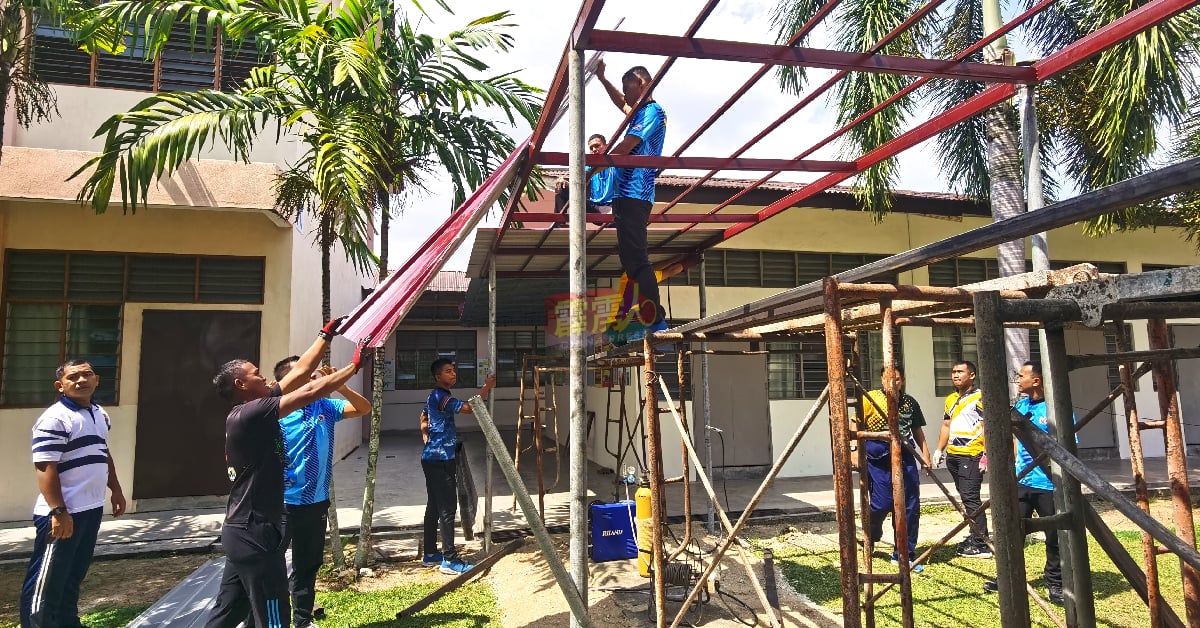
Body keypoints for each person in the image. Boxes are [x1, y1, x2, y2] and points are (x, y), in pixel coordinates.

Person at [206, 318, 365, 628]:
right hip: (256, 534)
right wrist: (354, 366)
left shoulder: (255, 408)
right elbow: (308, 391)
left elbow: (303, 372)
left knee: (229, 612)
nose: (264, 377)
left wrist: (325, 334)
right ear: (241, 385)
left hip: (242, 530)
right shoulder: (251, 413)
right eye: (256, 374)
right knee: (275, 618)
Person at [20, 360, 127, 628]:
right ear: (61, 385)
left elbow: (103, 453)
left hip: (90, 509)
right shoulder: (55, 418)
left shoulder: (100, 414)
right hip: (61, 513)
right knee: (47, 582)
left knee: (72, 575)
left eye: (87, 375)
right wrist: (58, 511)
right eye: (74, 377)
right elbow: (45, 467)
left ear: (97, 379)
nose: (81, 381)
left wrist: (116, 489)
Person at [272, 357, 372, 627]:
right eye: (304, 375)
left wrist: (340, 386)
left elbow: (363, 408)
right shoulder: (275, 412)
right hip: (280, 504)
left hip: (315, 502)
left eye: (312, 375)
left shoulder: (324, 406)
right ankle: (264, 619)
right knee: (270, 565)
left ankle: (302, 620)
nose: (311, 379)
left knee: (308, 564)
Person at [595, 60, 668, 336]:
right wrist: (603, 79)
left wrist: (595, 167)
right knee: (630, 259)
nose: (625, 96)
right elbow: (622, 105)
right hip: (624, 195)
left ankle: (655, 318)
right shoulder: (639, 112)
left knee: (637, 257)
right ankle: (648, 314)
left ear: (642, 83)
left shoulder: (653, 111)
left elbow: (627, 146)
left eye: (628, 88)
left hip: (636, 193)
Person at [983, 361, 1064, 604]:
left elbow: (1067, 445)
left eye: (1021, 376)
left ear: (1036, 381)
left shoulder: (1054, 409)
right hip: (1022, 480)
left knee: (1055, 536)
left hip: (1049, 483)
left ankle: (1056, 584)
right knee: (1012, 531)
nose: (1018, 380)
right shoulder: (1021, 405)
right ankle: (1008, 578)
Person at [421, 358, 495, 575]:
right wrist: (486, 388)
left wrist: (427, 438)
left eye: (454, 370)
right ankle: (450, 560)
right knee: (447, 509)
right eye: (448, 371)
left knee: (434, 506)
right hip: (441, 459)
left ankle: (430, 553)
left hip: (432, 458)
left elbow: (423, 417)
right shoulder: (441, 396)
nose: (453, 374)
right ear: (438, 377)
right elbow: (467, 409)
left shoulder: (435, 396)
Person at [859, 365, 931, 572]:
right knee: (882, 503)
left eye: (897, 379)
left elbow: (917, 430)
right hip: (878, 455)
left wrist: (925, 455)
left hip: (905, 452)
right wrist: (854, 450)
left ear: (903, 380)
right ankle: (871, 535)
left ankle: (904, 554)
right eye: (889, 379)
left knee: (909, 506)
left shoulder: (910, 403)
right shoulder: (870, 398)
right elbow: (857, 425)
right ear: (882, 380)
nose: (893, 383)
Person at [933, 360, 991, 558]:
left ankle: (981, 543)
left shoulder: (981, 397)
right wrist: (939, 450)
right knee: (965, 497)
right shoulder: (950, 399)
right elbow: (946, 425)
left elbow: (987, 426)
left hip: (972, 454)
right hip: (954, 455)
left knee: (971, 497)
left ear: (972, 375)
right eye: (953, 372)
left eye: (960, 372)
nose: (955, 375)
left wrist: (986, 454)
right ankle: (975, 534)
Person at [553, 133, 616, 217]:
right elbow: (580, 184)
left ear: (606, 146)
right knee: (562, 188)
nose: (594, 149)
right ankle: (558, 223)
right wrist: (565, 183)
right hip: (594, 208)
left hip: (613, 208)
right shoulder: (589, 167)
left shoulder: (615, 163)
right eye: (591, 148)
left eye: (597, 146)